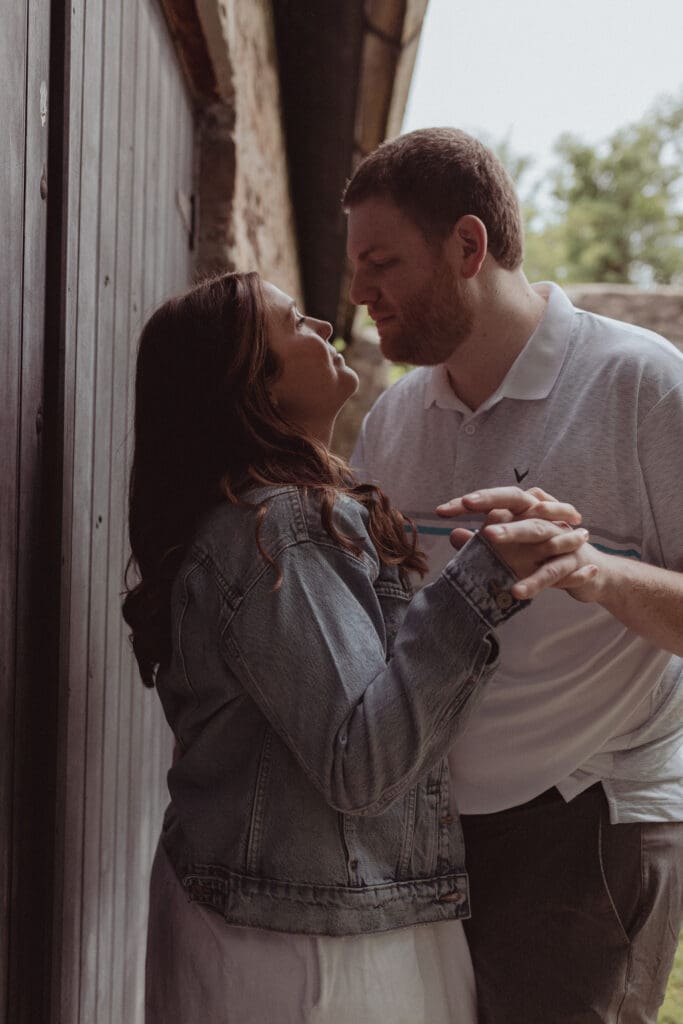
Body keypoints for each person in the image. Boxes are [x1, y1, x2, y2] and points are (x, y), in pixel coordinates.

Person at [122, 270, 594, 1024]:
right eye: (292, 322)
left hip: (275, 917)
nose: (322, 325)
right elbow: (362, 762)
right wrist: (482, 582)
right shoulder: (280, 526)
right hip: (312, 945)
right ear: (255, 383)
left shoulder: (246, 519)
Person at [344, 126, 683, 1024]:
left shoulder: (642, 387)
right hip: (429, 832)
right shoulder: (391, 422)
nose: (357, 292)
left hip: (587, 821)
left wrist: (596, 573)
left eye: (381, 261)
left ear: (467, 246)